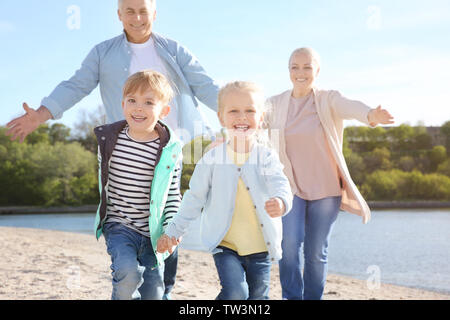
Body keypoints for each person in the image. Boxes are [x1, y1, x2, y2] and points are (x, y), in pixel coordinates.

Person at [5, 0, 220, 298]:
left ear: (154, 14)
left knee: (167, 214)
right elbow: (76, 85)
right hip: (125, 148)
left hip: (169, 149)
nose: (136, 17)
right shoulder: (103, 53)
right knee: (127, 216)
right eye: (129, 10)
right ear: (119, 15)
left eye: (143, 10)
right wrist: (42, 114)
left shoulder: (173, 49)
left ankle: (163, 289)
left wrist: (240, 115)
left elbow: (206, 85)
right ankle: (128, 270)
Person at [265, 47, 394, 300]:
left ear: (317, 70)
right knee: (289, 247)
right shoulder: (275, 104)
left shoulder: (328, 99)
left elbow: (351, 107)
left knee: (316, 252)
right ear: (288, 70)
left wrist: (371, 115)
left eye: (307, 67)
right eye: (295, 67)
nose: (300, 73)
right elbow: (251, 121)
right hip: (290, 189)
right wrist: (226, 138)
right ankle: (292, 297)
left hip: (325, 190)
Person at [157, 81, 293, 300]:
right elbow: (194, 199)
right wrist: (173, 231)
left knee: (258, 298)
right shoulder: (212, 158)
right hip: (225, 245)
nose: (242, 117)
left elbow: (281, 183)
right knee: (236, 293)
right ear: (221, 117)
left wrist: (281, 201)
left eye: (250, 111)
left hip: (261, 247)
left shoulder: (266, 156)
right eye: (234, 111)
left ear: (261, 117)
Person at [94, 70, 183, 300]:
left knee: (154, 292)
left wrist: (170, 230)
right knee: (128, 274)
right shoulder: (110, 140)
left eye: (148, 102)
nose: (138, 108)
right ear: (123, 104)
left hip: (153, 233)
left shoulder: (171, 149)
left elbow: (172, 194)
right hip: (119, 226)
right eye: (132, 100)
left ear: (164, 111)